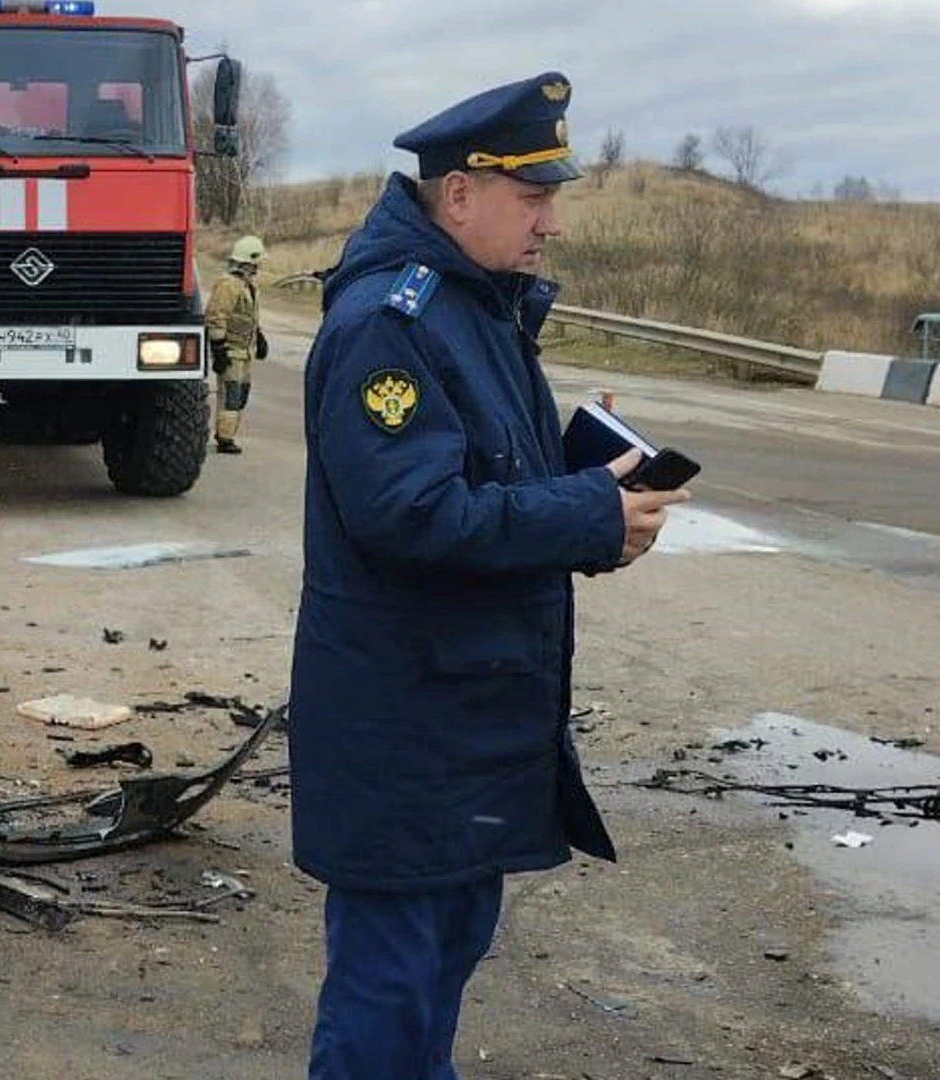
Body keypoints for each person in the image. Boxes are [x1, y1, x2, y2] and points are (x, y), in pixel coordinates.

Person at [289, 72, 690, 1079]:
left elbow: (482, 483)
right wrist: (585, 514)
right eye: (534, 197)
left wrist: (592, 493)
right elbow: (411, 515)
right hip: (408, 726)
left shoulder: (479, 310)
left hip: (463, 722)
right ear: (459, 195)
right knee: (386, 1000)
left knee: (437, 977)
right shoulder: (395, 320)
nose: (551, 221)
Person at [205, 234, 267, 454]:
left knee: (241, 394)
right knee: (231, 395)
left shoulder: (248, 286)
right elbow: (216, 316)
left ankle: (228, 434)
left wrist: (258, 336)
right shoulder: (228, 285)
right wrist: (219, 349)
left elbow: (248, 315)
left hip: (245, 352)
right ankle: (225, 438)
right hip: (232, 351)